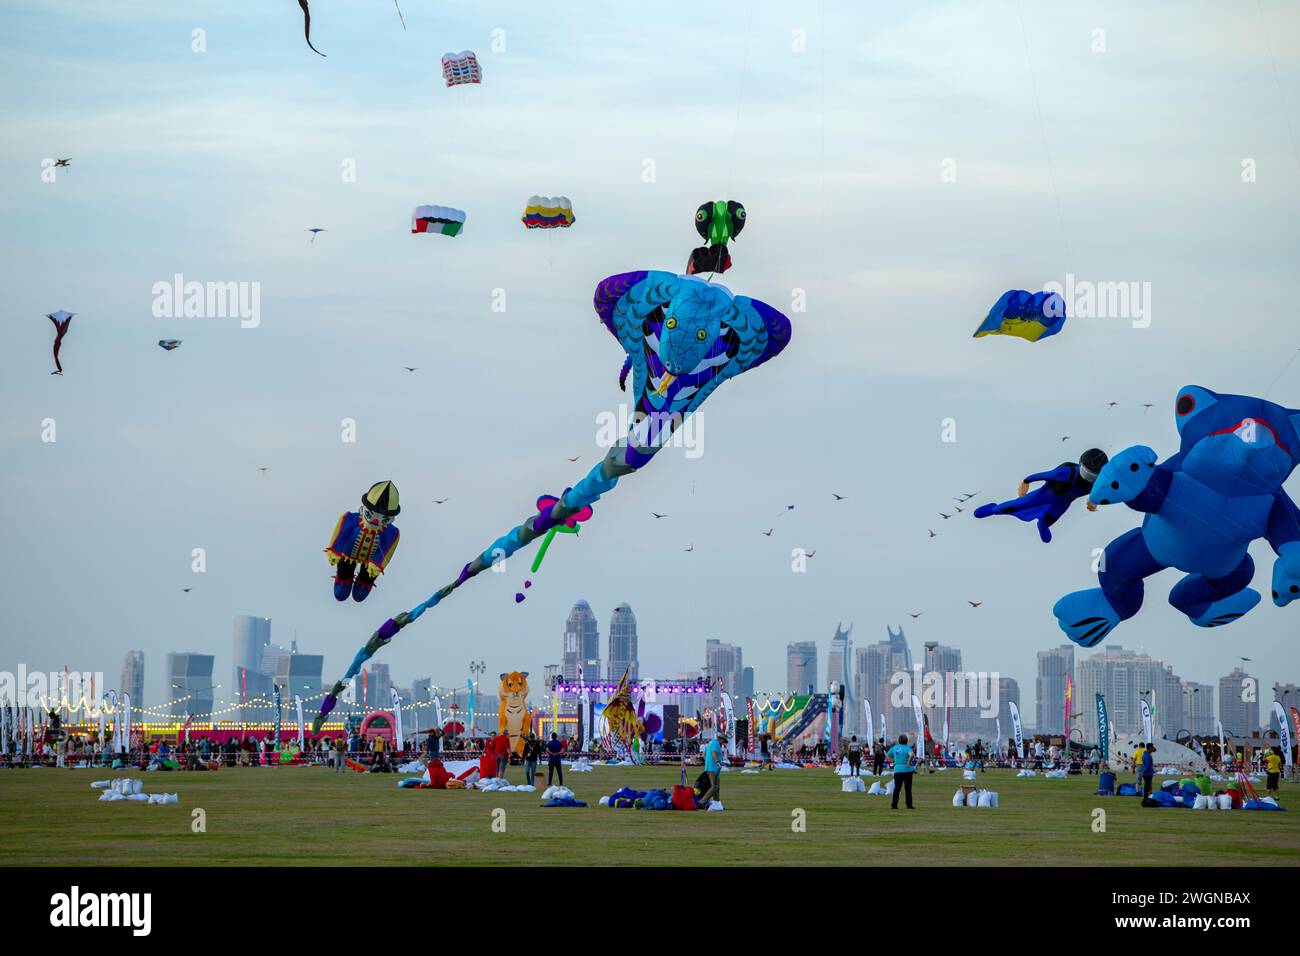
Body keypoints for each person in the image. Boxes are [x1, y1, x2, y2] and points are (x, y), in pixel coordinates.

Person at [972, 448, 1108, 543]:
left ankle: (1042, 526)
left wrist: (1093, 501)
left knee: (1047, 521)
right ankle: (993, 509)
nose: (1087, 477)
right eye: (1086, 472)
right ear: (1080, 464)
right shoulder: (1067, 473)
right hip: (1041, 496)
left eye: (1092, 475)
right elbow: (1040, 476)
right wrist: (1025, 482)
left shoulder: (1094, 484)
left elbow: (1097, 494)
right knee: (1011, 507)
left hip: (1061, 505)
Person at [888, 734, 916, 810]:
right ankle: (909, 805)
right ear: (906, 741)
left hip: (897, 770)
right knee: (908, 789)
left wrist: (893, 761)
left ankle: (894, 805)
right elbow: (912, 755)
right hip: (907, 770)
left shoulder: (895, 747)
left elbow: (888, 755)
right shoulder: (907, 748)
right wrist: (908, 762)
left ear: (899, 741)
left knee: (897, 788)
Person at [700, 733, 726, 804]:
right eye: (724, 741)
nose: (724, 742)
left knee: (717, 786)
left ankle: (717, 803)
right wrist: (717, 762)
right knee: (715, 787)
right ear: (720, 739)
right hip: (713, 768)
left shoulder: (710, 743)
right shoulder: (716, 743)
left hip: (710, 767)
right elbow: (713, 752)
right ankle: (702, 801)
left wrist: (708, 761)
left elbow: (703, 755)